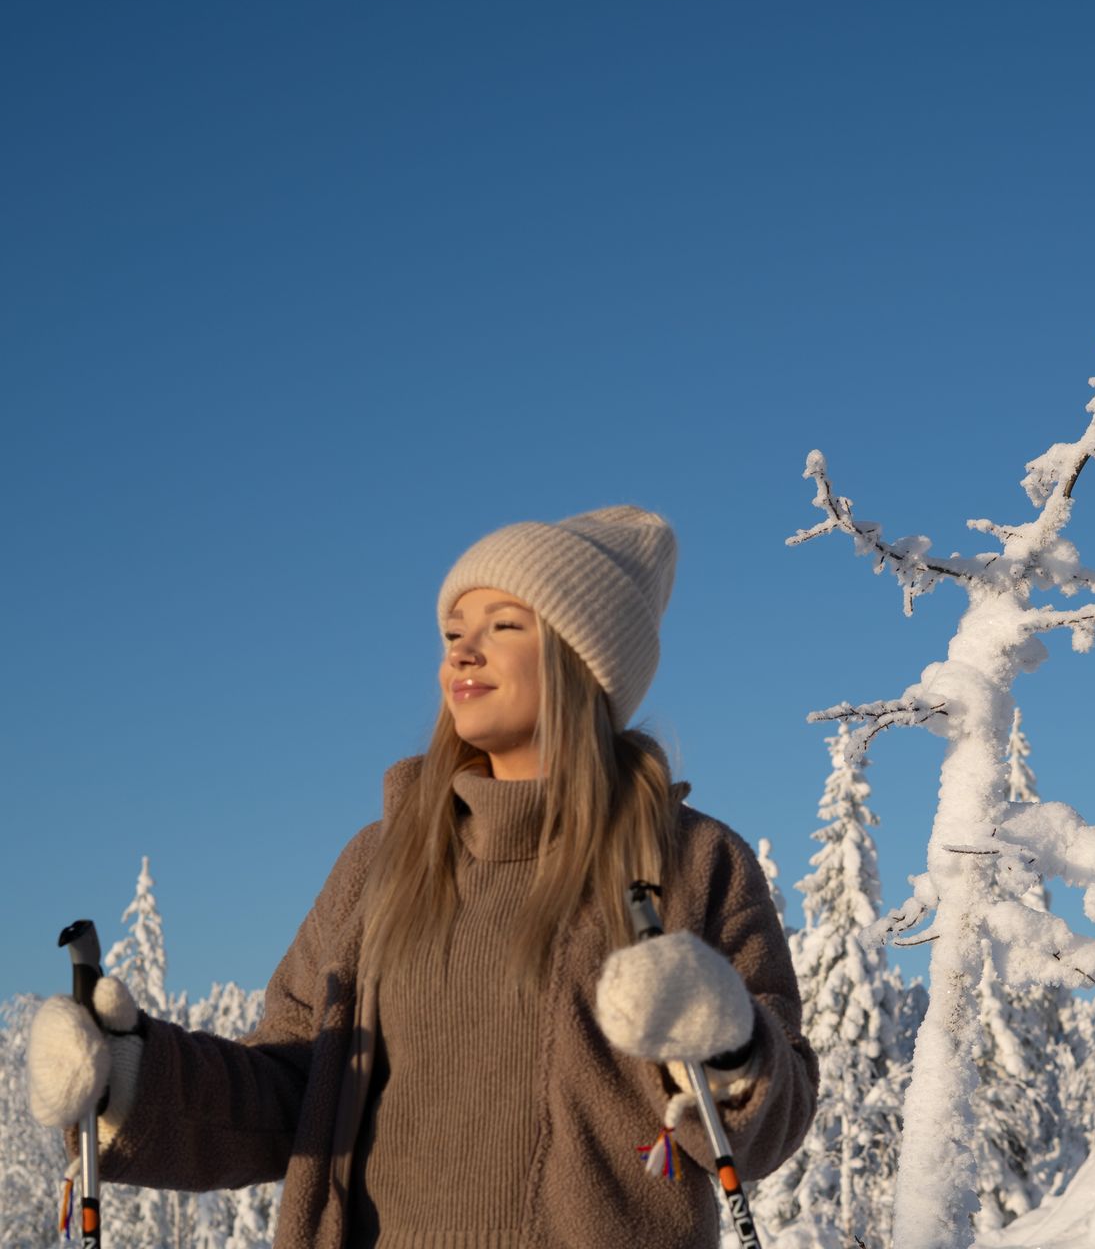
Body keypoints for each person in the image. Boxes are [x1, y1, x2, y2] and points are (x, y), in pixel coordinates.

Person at [26, 505, 817, 1247]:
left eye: (504, 625)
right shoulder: (382, 863)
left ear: (585, 663)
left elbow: (772, 1115)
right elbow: (290, 1088)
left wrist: (732, 1043)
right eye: (451, 633)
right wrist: (129, 1077)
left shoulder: (690, 861)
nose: (462, 653)